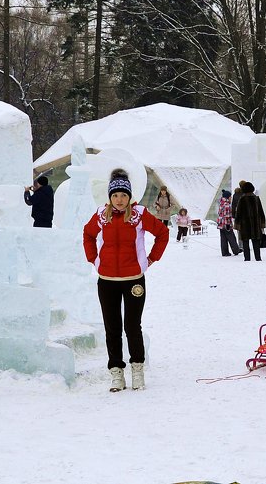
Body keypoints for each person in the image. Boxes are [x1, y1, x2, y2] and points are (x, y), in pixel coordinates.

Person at [82, 168, 169, 392]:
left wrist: (150, 259)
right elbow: (88, 234)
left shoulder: (139, 214)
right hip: (107, 280)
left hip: (133, 280)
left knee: (132, 326)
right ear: (110, 198)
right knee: (112, 328)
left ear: (129, 197)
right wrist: (94, 259)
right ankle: (116, 374)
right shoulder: (101, 215)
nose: (119, 200)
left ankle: (137, 371)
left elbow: (162, 233)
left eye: (123, 195)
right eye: (115, 196)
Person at [235, 181, 266, 262]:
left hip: (245, 225)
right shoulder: (256, 198)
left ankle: (247, 258)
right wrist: (262, 224)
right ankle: (258, 258)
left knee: (245, 243)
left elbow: (238, 213)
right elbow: (261, 212)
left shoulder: (242, 199)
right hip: (256, 225)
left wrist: (237, 225)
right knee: (256, 242)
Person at [216, 190, 242, 257]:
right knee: (231, 237)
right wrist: (230, 225)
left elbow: (219, 213)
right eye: (230, 197)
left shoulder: (221, 203)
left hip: (220, 224)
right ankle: (236, 250)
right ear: (228, 197)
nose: (231, 198)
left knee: (223, 239)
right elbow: (227, 216)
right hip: (226, 224)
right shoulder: (227, 205)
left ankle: (225, 252)